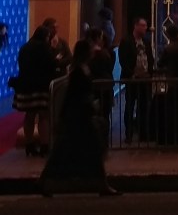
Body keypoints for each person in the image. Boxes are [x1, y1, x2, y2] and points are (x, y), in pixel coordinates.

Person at [40, 38, 121, 197]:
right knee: (74, 151)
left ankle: (46, 181)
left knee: (64, 151)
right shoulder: (79, 71)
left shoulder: (81, 69)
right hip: (79, 117)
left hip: (79, 116)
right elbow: (75, 95)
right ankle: (101, 184)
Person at [14, 18, 59, 156]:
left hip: (25, 86)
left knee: (29, 115)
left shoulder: (25, 47)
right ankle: (44, 146)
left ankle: (29, 145)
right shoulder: (44, 48)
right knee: (43, 116)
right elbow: (51, 65)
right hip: (41, 87)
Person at [118, 17, 153, 143]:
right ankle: (129, 134)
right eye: (142, 25)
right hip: (132, 79)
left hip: (145, 79)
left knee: (143, 107)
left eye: (145, 26)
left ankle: (143, 133)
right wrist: (130, 73)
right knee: (130, 106)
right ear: (136, 26)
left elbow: (150, 57)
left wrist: (149, 72)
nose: (145, 28)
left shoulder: (146, 41)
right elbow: (123, 59)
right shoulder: (126, 41)